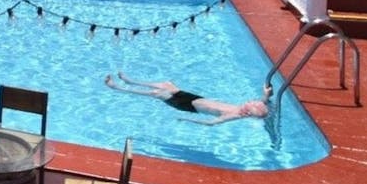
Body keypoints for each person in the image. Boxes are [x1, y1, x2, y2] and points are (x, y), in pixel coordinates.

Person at [104, 71, 271, 125]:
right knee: (166, 84)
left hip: (187, 106)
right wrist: (265, 95)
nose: (249, 101)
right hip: (193, 98)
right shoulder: (245, 109)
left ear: (248, 112)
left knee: (156, 94)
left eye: (251, 103)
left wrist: (186, 119)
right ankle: (130, 80)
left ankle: (117, 87)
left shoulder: (235, 115)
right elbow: (263, 103)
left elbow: (211, 123)